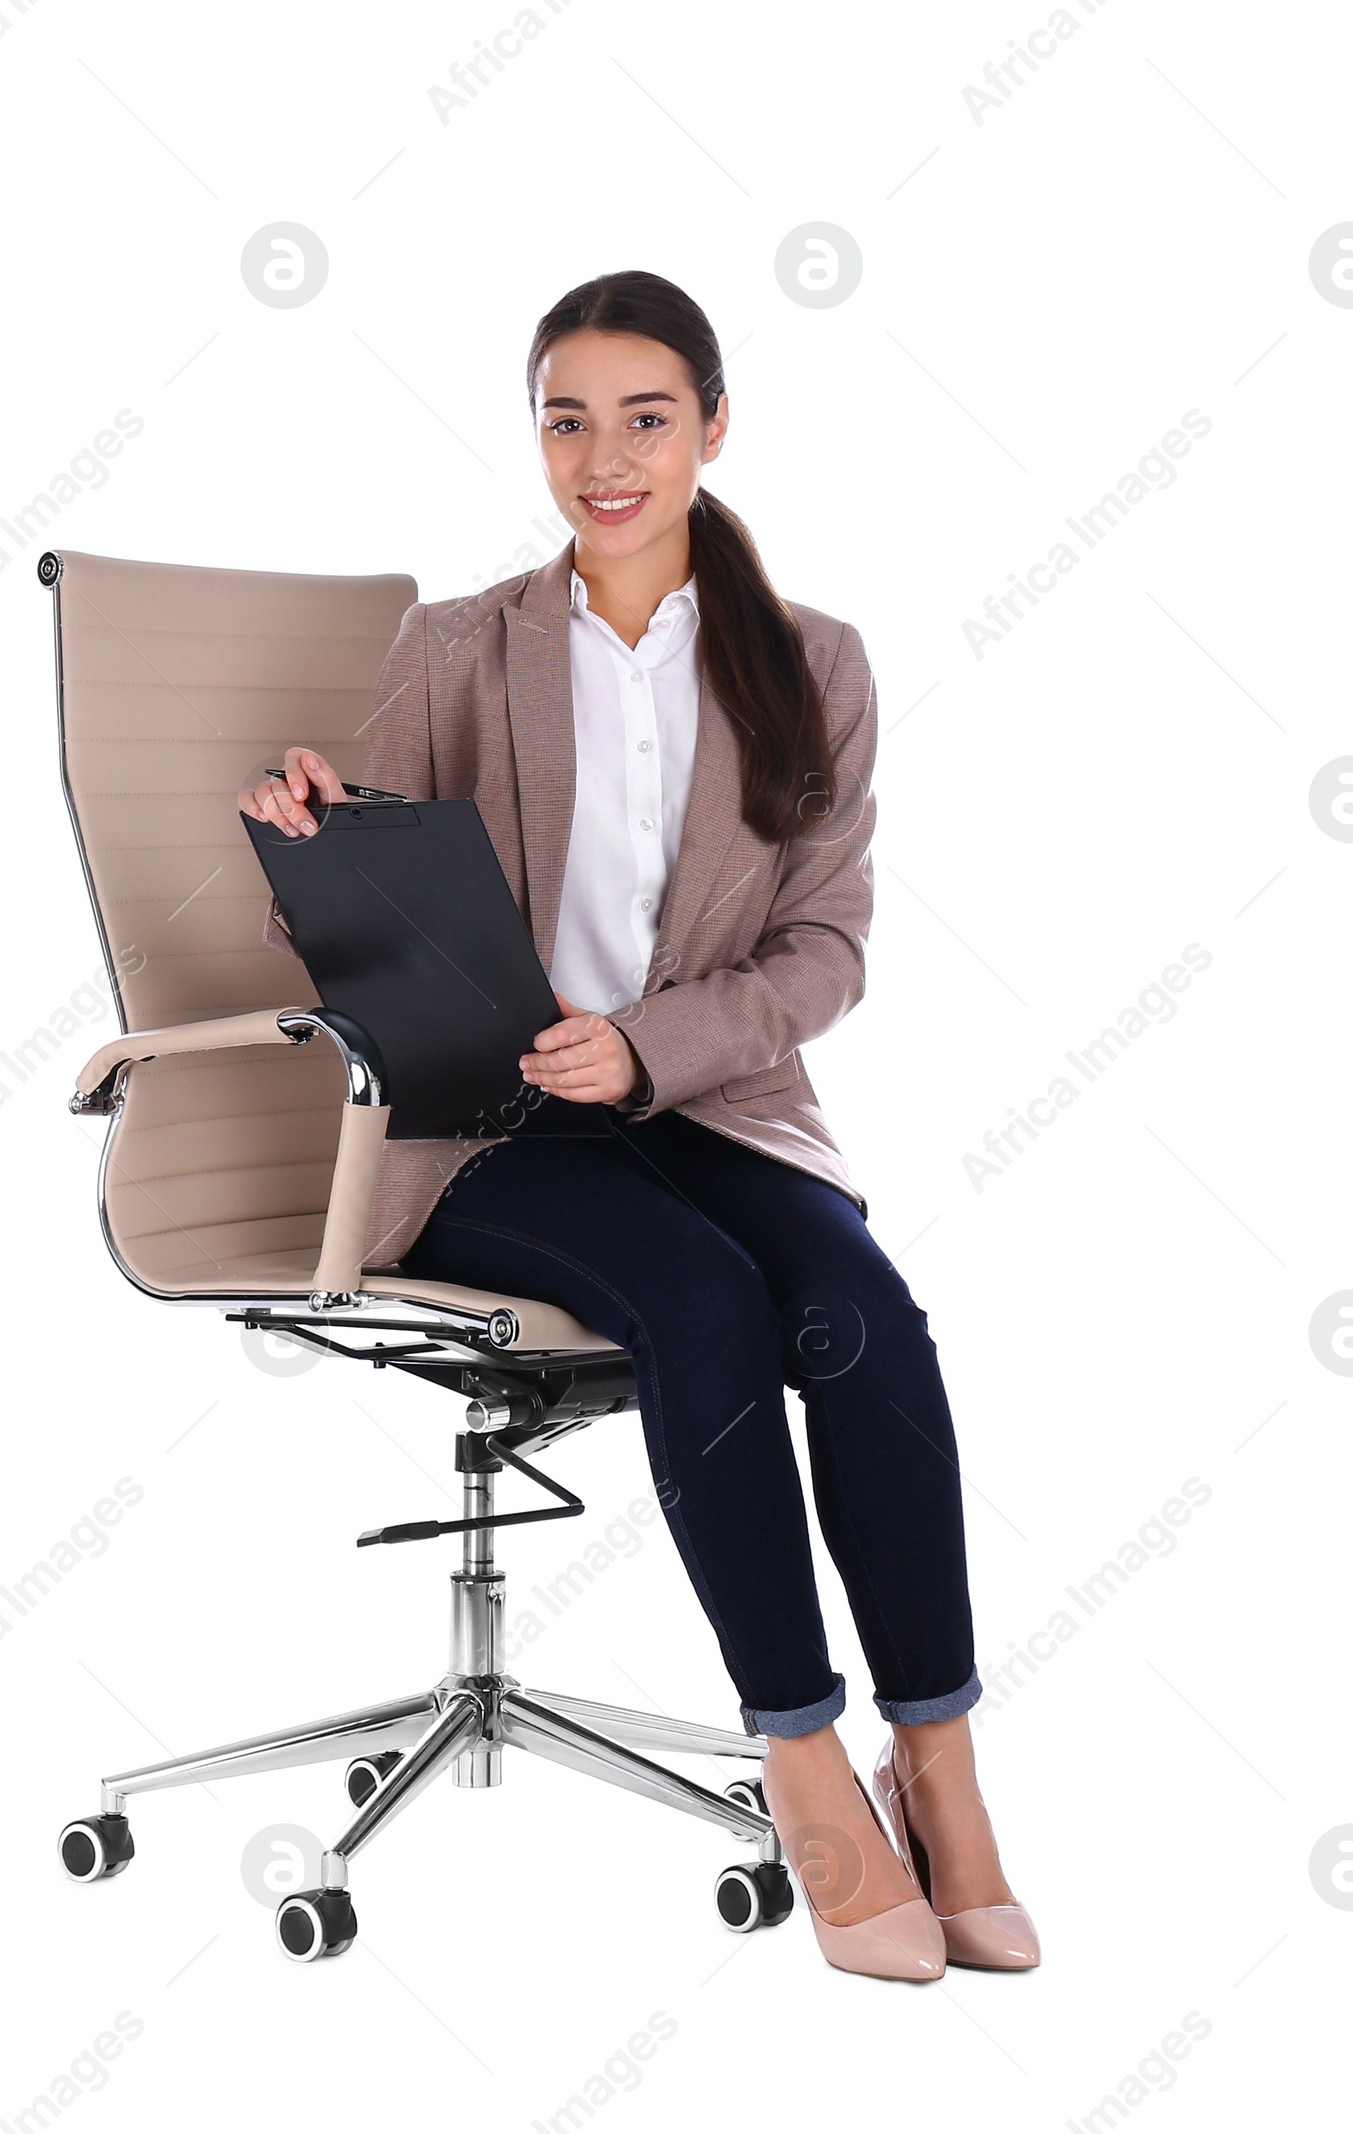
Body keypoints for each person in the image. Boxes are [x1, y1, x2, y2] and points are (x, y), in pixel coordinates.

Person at [240, 270, 1038, 1983]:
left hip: (708, 1102)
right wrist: (313, 819)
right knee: (702, 1302)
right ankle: (807, 1761)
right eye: (565, 416)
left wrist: (648, 1044)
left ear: (714, 428)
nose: (602, 457)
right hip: (488, 1132)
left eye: (645, 416)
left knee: (865, 1316)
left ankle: (945, 1764)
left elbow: (826, 950)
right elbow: (364, 911)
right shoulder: (460, 644)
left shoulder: (812, 662)